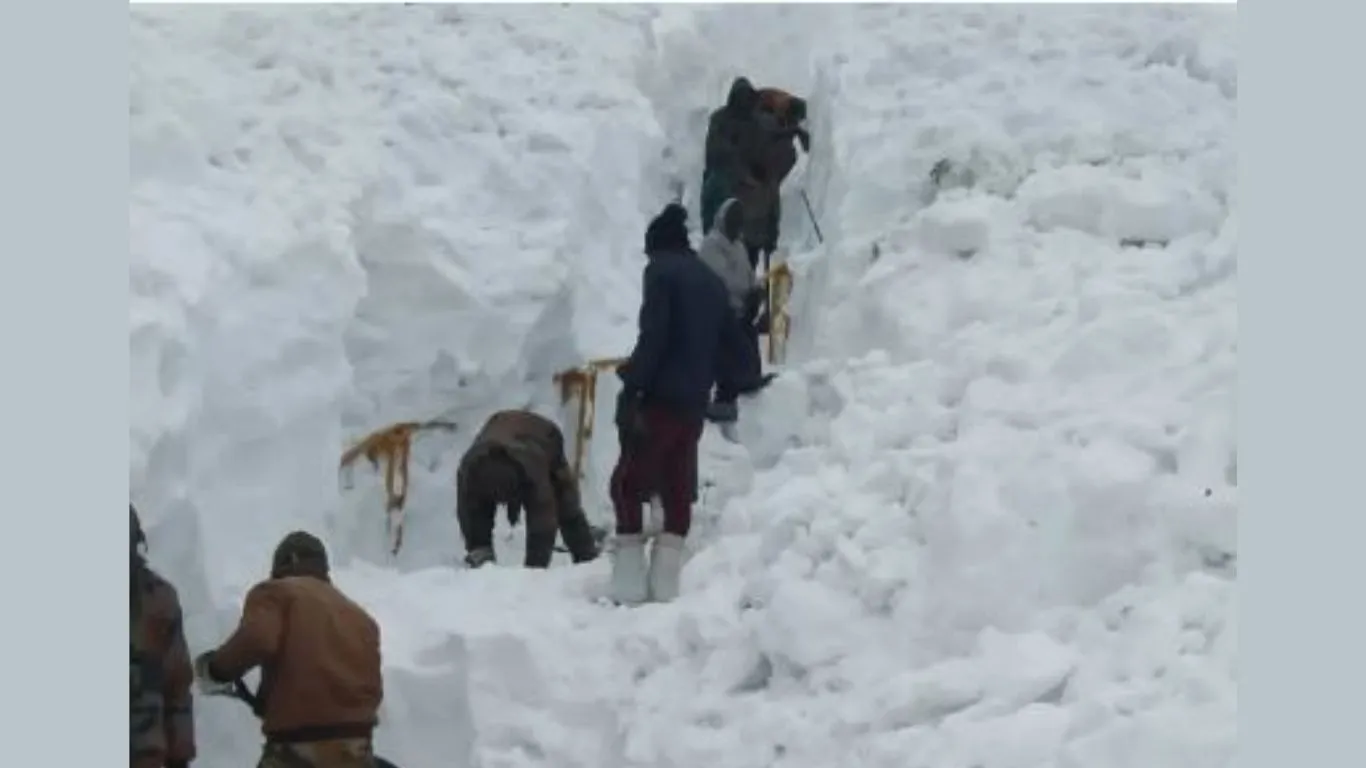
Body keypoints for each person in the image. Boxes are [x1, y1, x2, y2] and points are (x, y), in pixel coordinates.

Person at [610, 202, 737, 605]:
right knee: (676, 484)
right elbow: (730, 344)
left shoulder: (662, 272)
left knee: (627, 484)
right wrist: (726, 388)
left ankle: (628, 585)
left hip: (660, 398)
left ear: (657, 246)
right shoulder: (711, 281)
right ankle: (666, 587)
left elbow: (655, 335)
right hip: (693, 403)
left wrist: (633, 383)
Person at [193, 532, 383, 768]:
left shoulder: (277, 593)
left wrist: (217, 670)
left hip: (297, 747)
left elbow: (258, 637)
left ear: (286, 562)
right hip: (356, 749)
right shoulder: (361, 618)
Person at [455, 409, 601, 569]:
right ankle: (483, 565)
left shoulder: (533, 471)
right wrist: (480, 552)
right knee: (476, 517)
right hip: (500, 436)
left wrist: (534, 569)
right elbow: (469, 517)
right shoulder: (469, 472)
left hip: (544, 435)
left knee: (565, 503)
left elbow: (543, 522)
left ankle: (587, 559)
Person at [696, 197, 775, 423]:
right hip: (720, 310)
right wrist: (745, 292)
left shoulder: (738, 246)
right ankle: (724, 400)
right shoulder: (712, 244)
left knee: (747, 345)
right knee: (727, 356)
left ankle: (749, 381)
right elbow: (719, 278)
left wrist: (756, 290)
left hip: (742, 309)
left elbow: (748, 274)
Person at [131, 505, 197, 768]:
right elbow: (177, 684)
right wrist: (179, 756)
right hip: (145, 745)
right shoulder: (160, 596)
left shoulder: (160, 598)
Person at [701, 77, 770, 236]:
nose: (743, 101)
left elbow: (759, 151)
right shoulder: (719, 118)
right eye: (741, 96)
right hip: (719, 175)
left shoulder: (754, 122)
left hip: (744, 182)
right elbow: (715, 148)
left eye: (746, 97)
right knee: (714, 219)